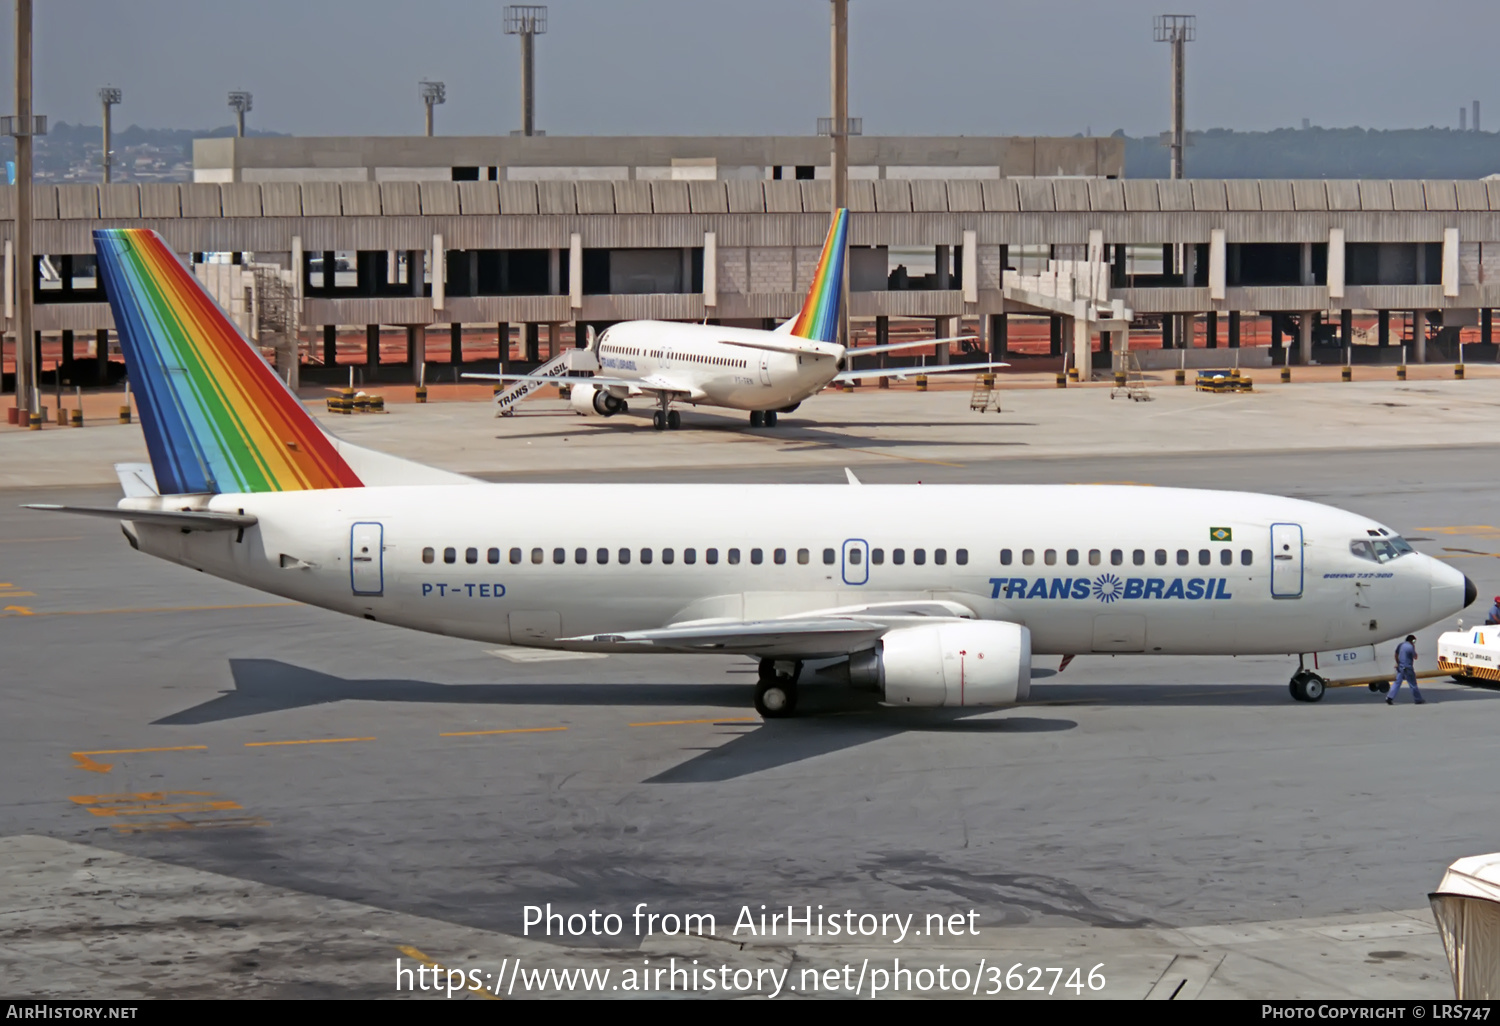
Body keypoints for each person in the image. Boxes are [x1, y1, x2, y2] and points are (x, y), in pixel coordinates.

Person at [1388, 634, 1425, 705]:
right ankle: (1418, 699)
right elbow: (1415, 657)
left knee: (1397, 683)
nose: (1414, 642)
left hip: (1400, 667)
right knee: (1413, 684)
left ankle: (1389, 697)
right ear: (1411, 640)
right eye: (1414, 641)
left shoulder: (1400, 645)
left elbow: (1396, 655)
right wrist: (1414, 648)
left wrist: (1398, 663)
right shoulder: (1410, 647)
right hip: (1408, 668)